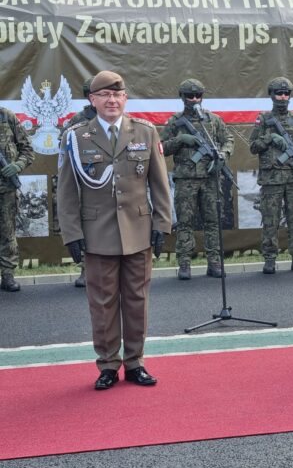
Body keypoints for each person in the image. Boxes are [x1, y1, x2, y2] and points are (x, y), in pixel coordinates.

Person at [57, 70, 171, 390]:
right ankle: (108, 363)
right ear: (92, 101)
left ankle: (135, 362)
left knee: (137, 300)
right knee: (103, 303)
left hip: (138, 229)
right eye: (105, 95)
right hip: (97, 234)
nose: (112, 100)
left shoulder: (145, 132)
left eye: (117, 95)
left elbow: (159, 185)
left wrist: (162, 224)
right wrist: (72, 234)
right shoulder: (77, 137)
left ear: (125, 99)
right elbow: (66, 191)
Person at [161, 79, 234, 279]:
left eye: (197, 96)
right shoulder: (175, 122)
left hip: (210, 179)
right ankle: (184, 264)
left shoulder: (213, 120)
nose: (194, 99)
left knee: (213, 222)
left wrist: (223, 156)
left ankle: (215, 263)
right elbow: (160, 148)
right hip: (186, 180)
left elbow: (228, 140)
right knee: (185, 223)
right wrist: (180, 140)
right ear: (182, 97)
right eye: (189, 96)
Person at [249, 77, 293, 275]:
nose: (283, 97)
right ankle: (269, 259)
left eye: (286, 93)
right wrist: (270, 137)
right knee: (271, 221)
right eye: (279, 93)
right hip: (272, 181)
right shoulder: (263, 120)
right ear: (271, 95)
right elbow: (253, 147)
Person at [63, 76, 97, 288]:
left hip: (109, 180)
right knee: (85, 224)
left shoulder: (118, 118)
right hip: (83, 179)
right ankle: (86, 269)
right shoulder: (78, 119)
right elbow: (64, 144)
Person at [0, 108, 34, 292]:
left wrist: (17, 165)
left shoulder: (6, 117)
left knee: (7, 232)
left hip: (6, 190)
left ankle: (7, 276)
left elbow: (27, 149)